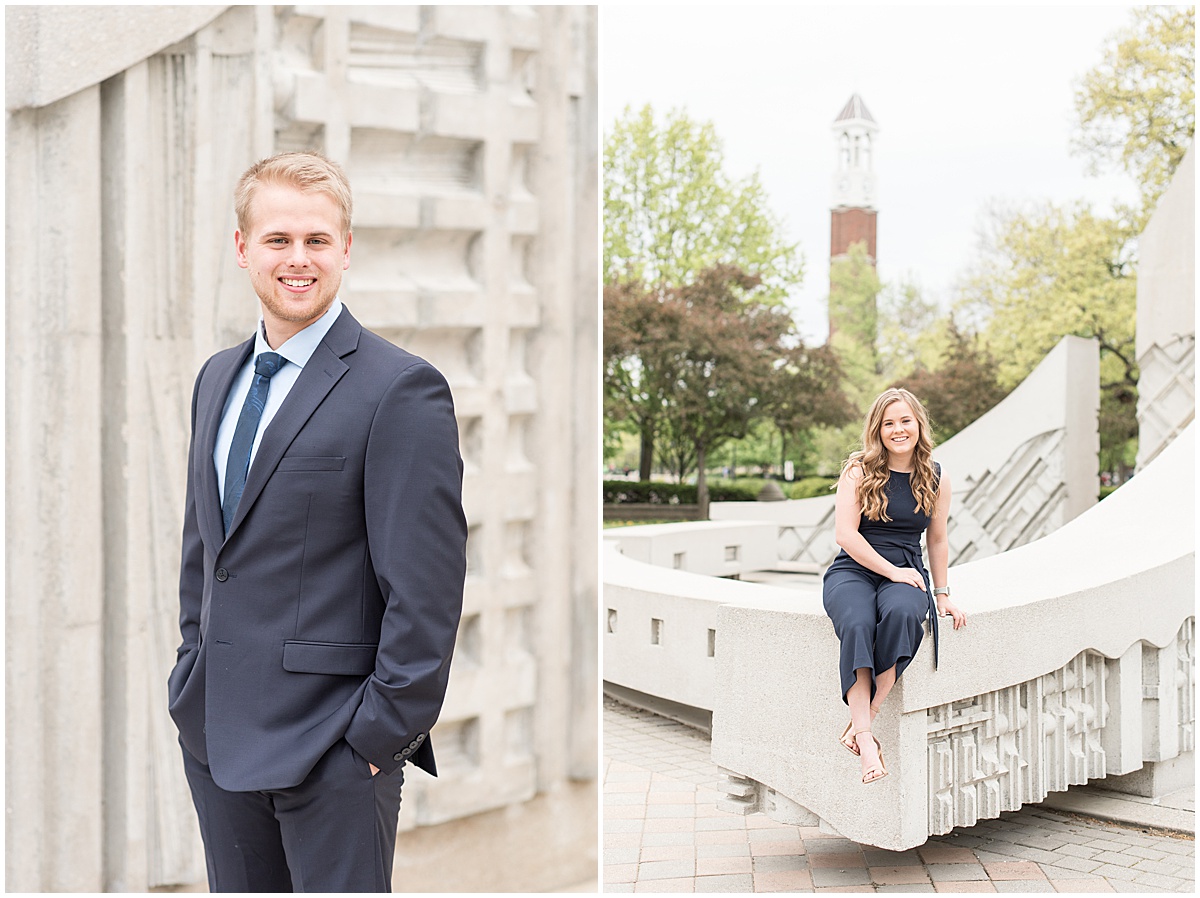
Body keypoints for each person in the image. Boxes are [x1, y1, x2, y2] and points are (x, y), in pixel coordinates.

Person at [167, 151, 468, 891]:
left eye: (316, 241)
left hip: (333, 751)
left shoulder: (399, 389)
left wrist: (371, 742)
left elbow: (426, 594)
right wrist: (190, 675)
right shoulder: (217, 378)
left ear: (345, 249)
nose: (297, 260)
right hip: (217, 737)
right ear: (242, 249)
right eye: (277, 240)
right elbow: (206, 551)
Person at [822, 388, 965, 785]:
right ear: (877, 430)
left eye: (905, 421)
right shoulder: (858, 470)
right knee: (857, 621)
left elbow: (937, 539)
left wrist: (942, 594)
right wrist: (892, 570)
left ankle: (863, 720)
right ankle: (867, 741)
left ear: (918, 424)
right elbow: (845, 535)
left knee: (904, 613)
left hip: (907, 571)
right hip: (855, 569)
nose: (898, 429)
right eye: (888, 423)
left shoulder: (936, 477)